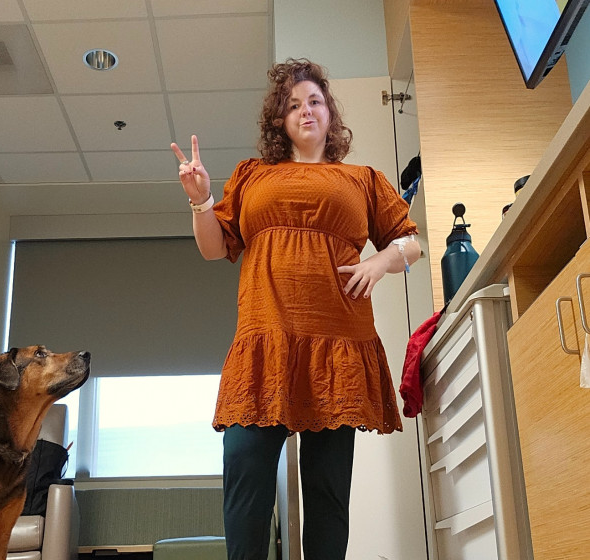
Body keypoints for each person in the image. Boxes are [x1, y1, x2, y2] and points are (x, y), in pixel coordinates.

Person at [170, 58, 420, 560]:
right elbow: (215, 248)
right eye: (293, 105)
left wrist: (380, 262)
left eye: (315, 101)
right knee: (245, 466)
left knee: (328, 491)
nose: (305, 110)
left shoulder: (362, 179)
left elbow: (410, 242)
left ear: (330, 114)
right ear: (279, 121)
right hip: (266, 339)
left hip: (338, 342)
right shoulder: (253, 175)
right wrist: (201, 201)